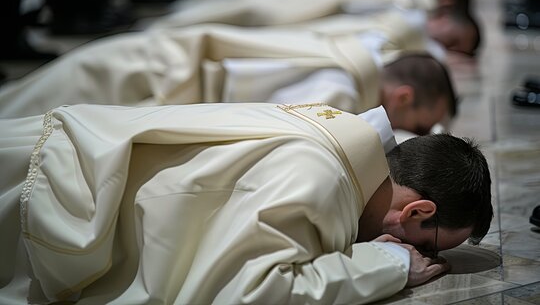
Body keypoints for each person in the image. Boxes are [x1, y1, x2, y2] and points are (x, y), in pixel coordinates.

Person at [0, 102, 493, 304]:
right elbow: (247, 293)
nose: (422, 255)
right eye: (428, 245)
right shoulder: (318, 176)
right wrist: (387, 262)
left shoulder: (338, 136)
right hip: (33, 208)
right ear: (416, 212)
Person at [0, 21, 456, 136]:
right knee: (17, 116)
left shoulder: (354, 61)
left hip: (157, 61)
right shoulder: (337, 90)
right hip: (150, 77)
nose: (413, 132)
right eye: (418, 122)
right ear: (402, 96)